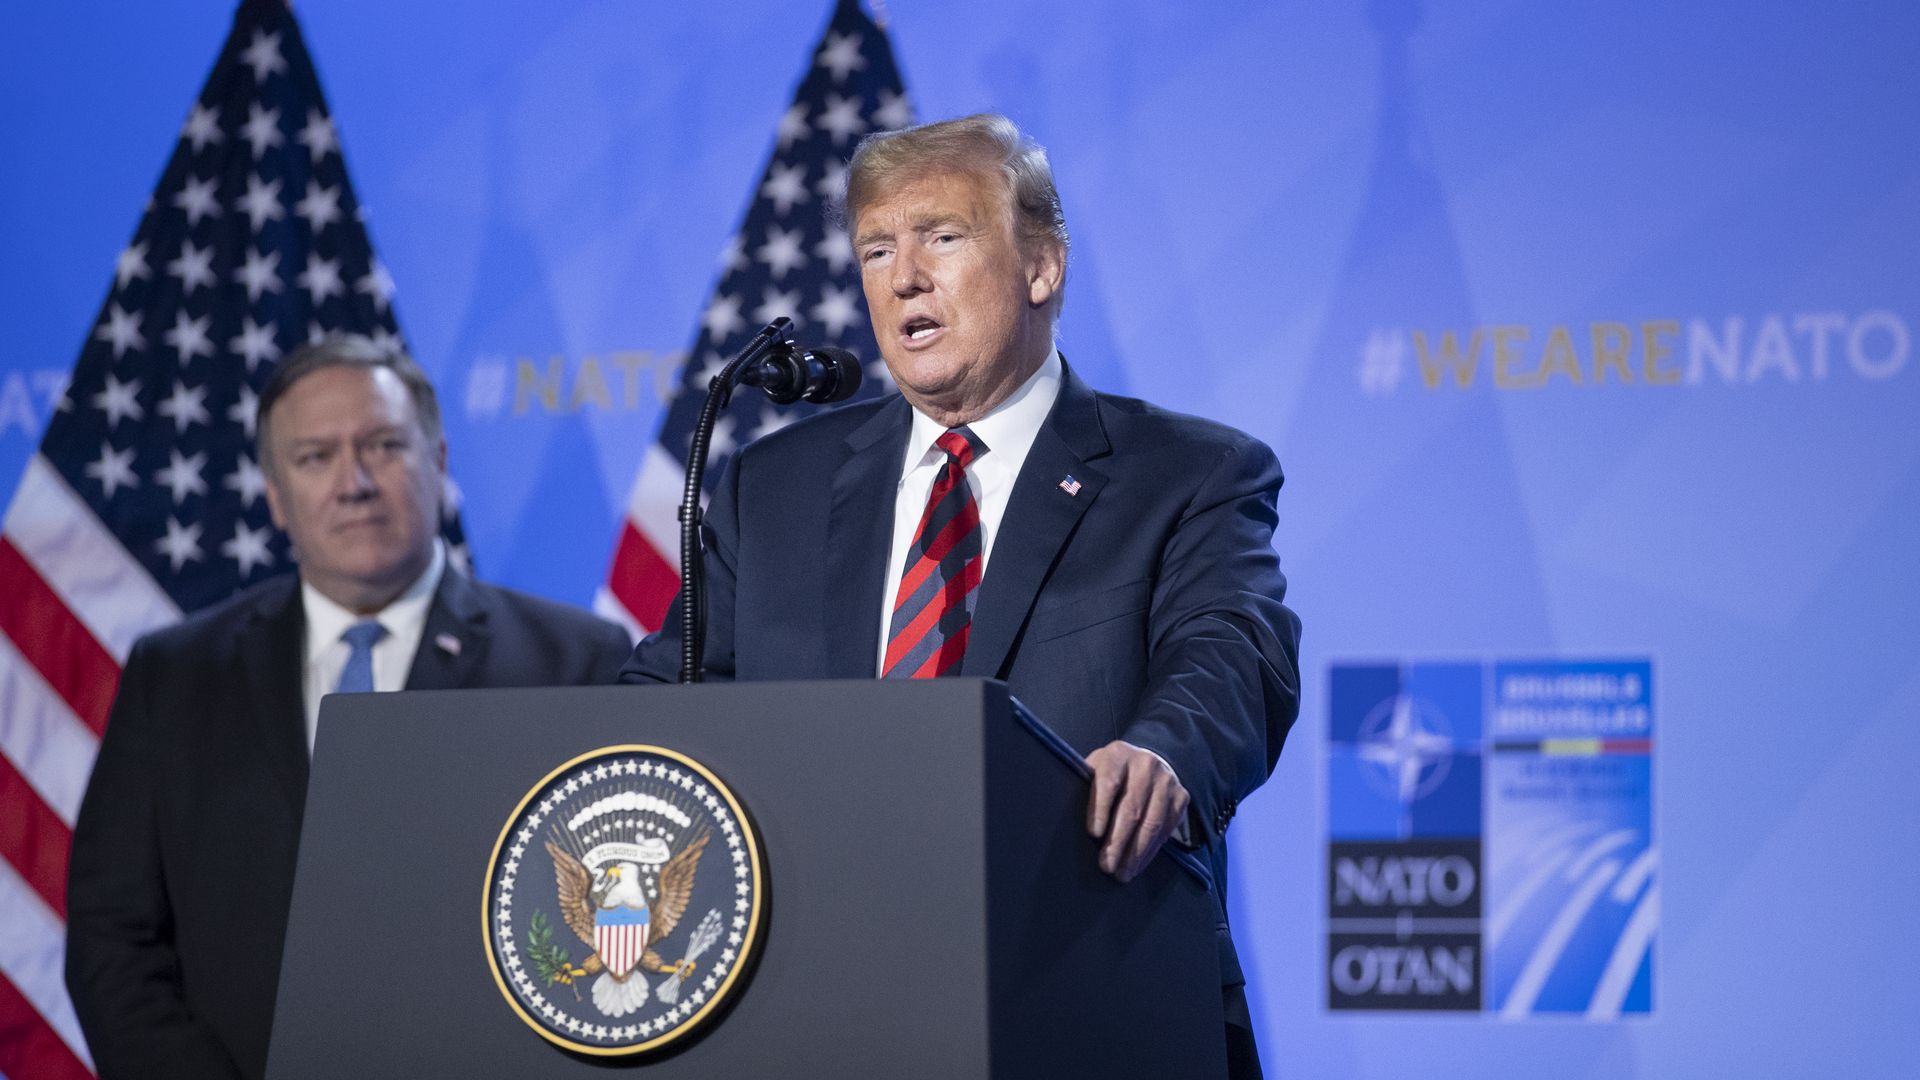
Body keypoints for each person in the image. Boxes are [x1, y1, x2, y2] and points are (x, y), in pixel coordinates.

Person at [621, 114, 1300, 1078]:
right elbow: (661, 701)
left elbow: (1234, 651)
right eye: (877, 250)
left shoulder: (1186, 474)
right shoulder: (772, 487)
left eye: (942, 236)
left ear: (1043, 267)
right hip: (809, 1006)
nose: (904, 277)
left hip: (1082, 988)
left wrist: (1165, 751)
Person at [65, 335, 633, 1080]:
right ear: (275, 493)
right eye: (314, 457)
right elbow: (113, 941)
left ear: (438, 462)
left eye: (384, 445)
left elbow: (615, 909)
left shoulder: (574, 659)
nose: (354, 482)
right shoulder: (174, 675)